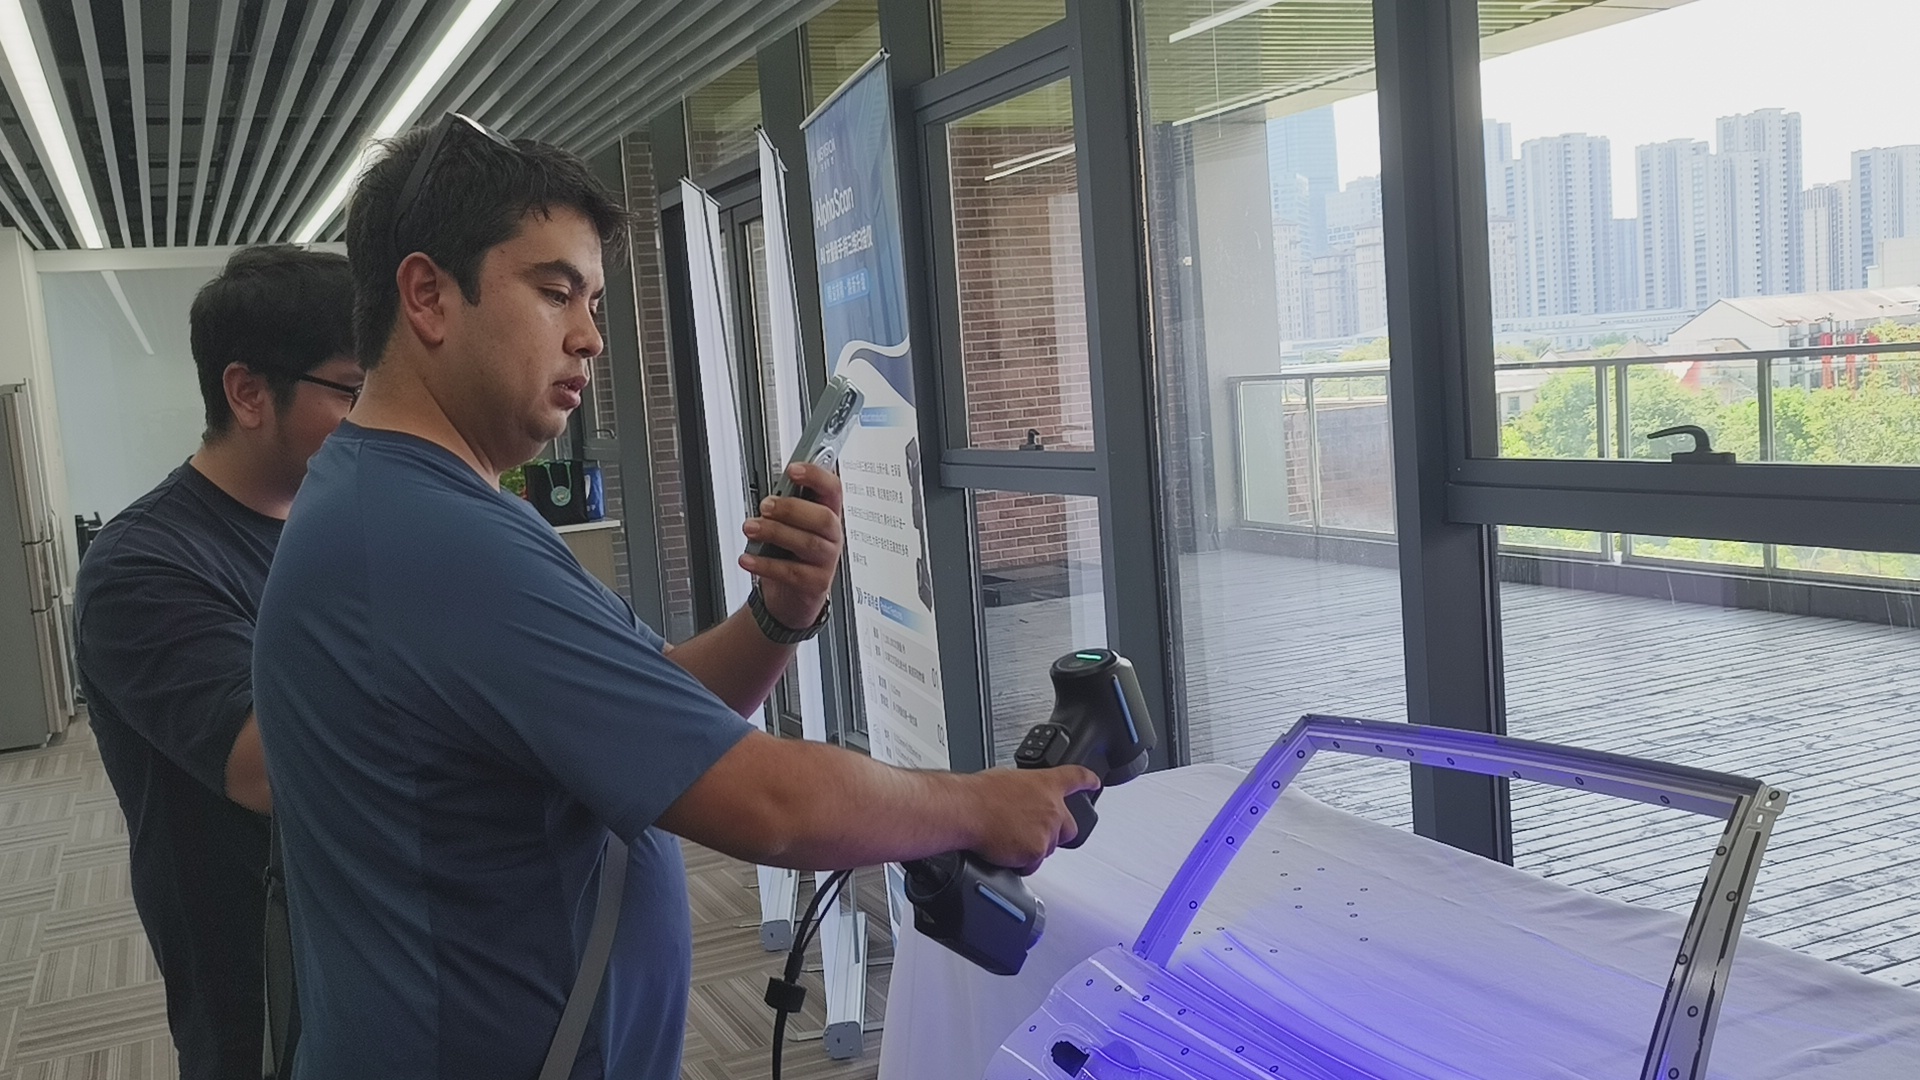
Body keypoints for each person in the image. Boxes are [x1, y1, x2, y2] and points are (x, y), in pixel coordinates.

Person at [252, 113, 1097, 1080]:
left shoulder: (416, 502)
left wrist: (775, 618)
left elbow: (653, 710)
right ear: (428, 296)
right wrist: (979, 806)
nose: (589, 337)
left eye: (594, 301)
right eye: (555, 293)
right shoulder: (426, 538)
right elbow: (768, 807)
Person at [73, 245, 360, 1080]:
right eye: (353, 390)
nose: (380, 417)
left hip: (382, 958)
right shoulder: (142, 565)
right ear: (247, 393)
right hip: (260, 996)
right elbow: (269, 767)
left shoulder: (341, 521)